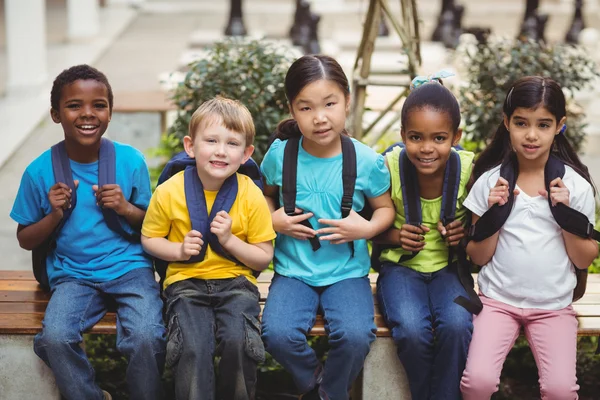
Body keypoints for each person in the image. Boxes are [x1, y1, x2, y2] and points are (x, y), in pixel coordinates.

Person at [10, 64, 166, 400]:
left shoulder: (130, 160)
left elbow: (154, 225)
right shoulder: (38, 171)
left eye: (98, 105)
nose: (87, 114)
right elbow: (25, 238)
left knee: (146, 336)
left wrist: (125, 208)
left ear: (110, 112)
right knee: (54, 338)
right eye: (74, 105)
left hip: (130, 268)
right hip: (73, 275)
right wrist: (54, 215)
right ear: (55, 114)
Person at [260, 54, 395, 400]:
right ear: (292, 110)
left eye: (329, 104)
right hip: (293, 271)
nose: (319, 118)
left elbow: (385, 210)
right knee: (276, 333)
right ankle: (316, 382)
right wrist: (271, 218)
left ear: (347, 102)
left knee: (354, 335)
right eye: (305, 108)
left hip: (347, 272)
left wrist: (364, 229)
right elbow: (263, 196)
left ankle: (329, 393)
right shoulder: (281, 155)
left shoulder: (365, 161)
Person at [460, 76, 598, 400]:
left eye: (544, 125)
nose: (532, 135)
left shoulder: (575, 187)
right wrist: (495, 211)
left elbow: (583, 258)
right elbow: (478, 257)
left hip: (553, 306)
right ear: (507, 123)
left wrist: (565, 215)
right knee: (476, 382)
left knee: (561, 391)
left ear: (559, 126)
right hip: (497, 302)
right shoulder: (490, 182)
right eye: (521, 123)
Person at [141, 96, 276, 400]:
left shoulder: (250, 195)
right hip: (185, 284)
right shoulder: (169, 191)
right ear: (190, 146)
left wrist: (229, 240)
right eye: (211, 140)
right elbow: (149, 239)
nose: (220, 150)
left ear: (246, 153)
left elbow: (264, 255)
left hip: (237, 284)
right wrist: (177, 251)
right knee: (192, 346)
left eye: (232, 143)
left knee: (240, 342)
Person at [373, 74, 475, 400]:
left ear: (456, 137)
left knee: (458, 327)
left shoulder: (471, 171)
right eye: (415, 137)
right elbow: (369, 227)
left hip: (450, 271)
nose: (427, 148)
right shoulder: (388, 167)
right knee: (412, 329)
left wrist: (465, 234)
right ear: (402, 135)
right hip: (400, 270)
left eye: (439, 138)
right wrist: (394, 235)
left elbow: (486, 229)